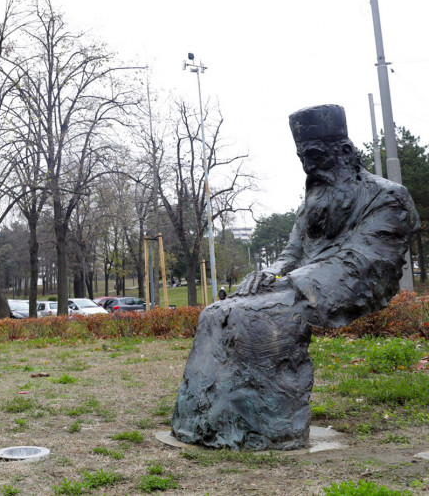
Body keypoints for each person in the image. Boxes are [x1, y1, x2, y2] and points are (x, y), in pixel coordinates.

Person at [172, 105, 418, 450]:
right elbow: (291, 252)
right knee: (217, 312)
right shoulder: (313, 201)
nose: (308, 166)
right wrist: (268, 274)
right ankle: (205, 423)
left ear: (346, 152)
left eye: (315, 155)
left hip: (352, 280)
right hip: (305, 281)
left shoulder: (389, 196)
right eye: (303, 158)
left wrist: (288, 282)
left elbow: (364, 258)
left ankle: (270, 427)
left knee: (258, 316)